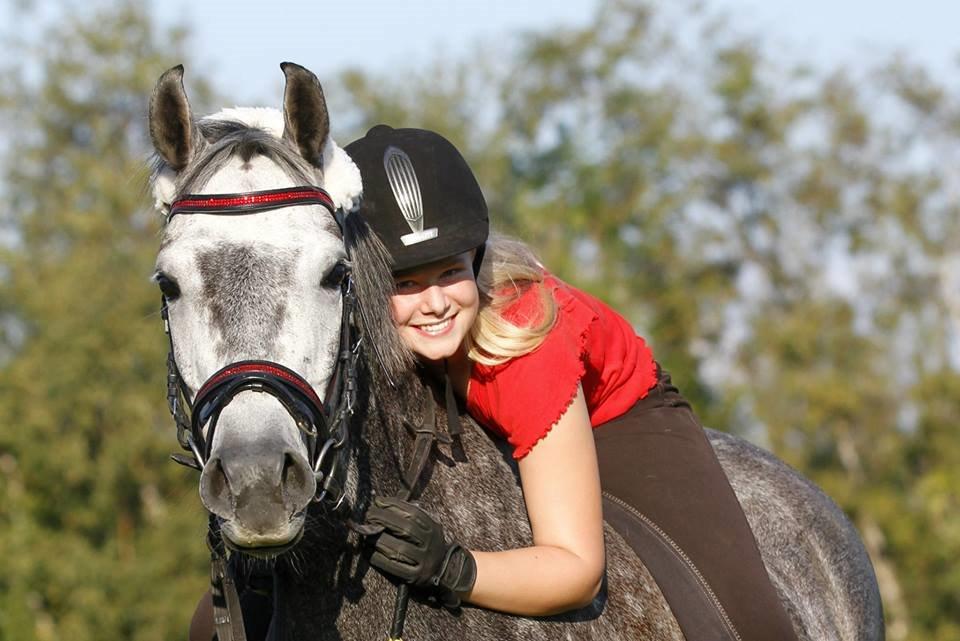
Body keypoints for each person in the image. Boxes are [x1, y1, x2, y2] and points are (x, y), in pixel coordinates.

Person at [343, 125, 800, 641]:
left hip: (623, 425)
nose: (435, 303)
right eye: (404, 283)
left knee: (747, 623)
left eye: (449, 273)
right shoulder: (351, 322)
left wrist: (453, 568)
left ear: (474, 260)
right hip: (499, 414)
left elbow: (577, 572)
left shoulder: (526, 345)